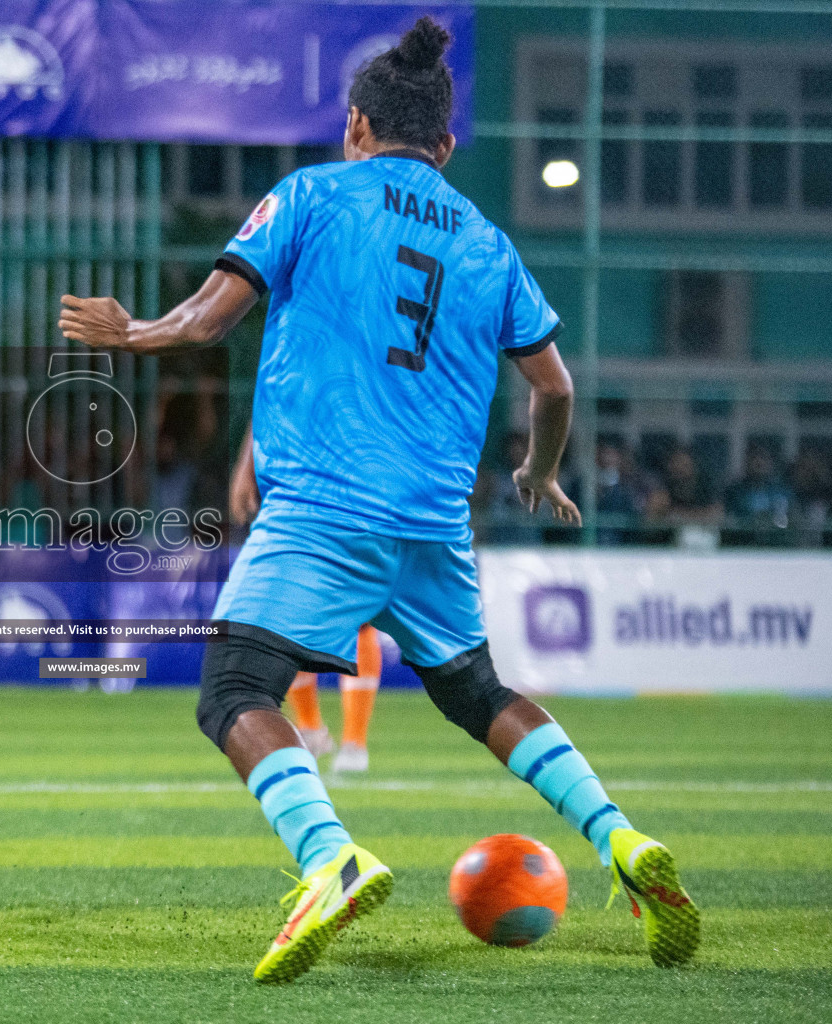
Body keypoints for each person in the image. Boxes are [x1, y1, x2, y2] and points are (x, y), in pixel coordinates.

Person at [59, 18, 697, 982]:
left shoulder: (311, 195)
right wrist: (537, 473)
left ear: (356, 123)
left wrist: (134, 332)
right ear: (444, 148)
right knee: (477, 690)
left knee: (234, 689)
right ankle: (619, 839)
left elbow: (208, 318)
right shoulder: (487, 242)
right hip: (436, 521)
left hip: (325, 505)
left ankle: (329, 861)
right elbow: (555, 388)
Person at [232, 424, 380, 773]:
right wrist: (246, 469)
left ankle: (355, 743)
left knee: (357, 619)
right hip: (295, 495)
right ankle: (311, 727)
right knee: (291, 614)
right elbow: (266, 399)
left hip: (353, 491)